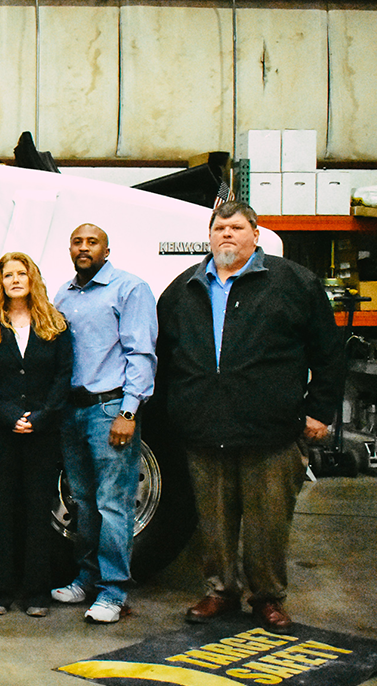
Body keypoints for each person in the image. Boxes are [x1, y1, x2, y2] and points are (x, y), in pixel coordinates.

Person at [157, 200, 343, 633]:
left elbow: (328, 352)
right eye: (219, 228)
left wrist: (318, 410)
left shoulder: (292, 282)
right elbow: (164, 356)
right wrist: (176, 412)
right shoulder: (183, 289)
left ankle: (268, 598)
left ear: (255, 235)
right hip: (205, 429)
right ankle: (221, 591)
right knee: (213, 520)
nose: (227, 235)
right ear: (209, 236)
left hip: (271, 431)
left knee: (267, 523)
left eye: (237, 228)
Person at [51, 223, 157, 624]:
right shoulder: (64, 293)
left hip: (110, 410)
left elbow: (141, 353)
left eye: (91, 242)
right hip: (72, 411)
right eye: (76, 241)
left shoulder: (129, 289)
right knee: (83, 500)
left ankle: (114, 591)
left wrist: (129, 412)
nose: (83, 248)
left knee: (113, 503)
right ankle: (87, 578)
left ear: (106, 249)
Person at [0, 252, 72, 619]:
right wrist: (9, 416)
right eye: (7, 274)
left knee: (36, 512)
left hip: (42, 433)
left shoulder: (55, 324)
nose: (14, 279)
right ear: (0, 282)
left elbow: (63, 376)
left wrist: (40, 418)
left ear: (32, 278)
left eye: (21, 273)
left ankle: (36, 592)